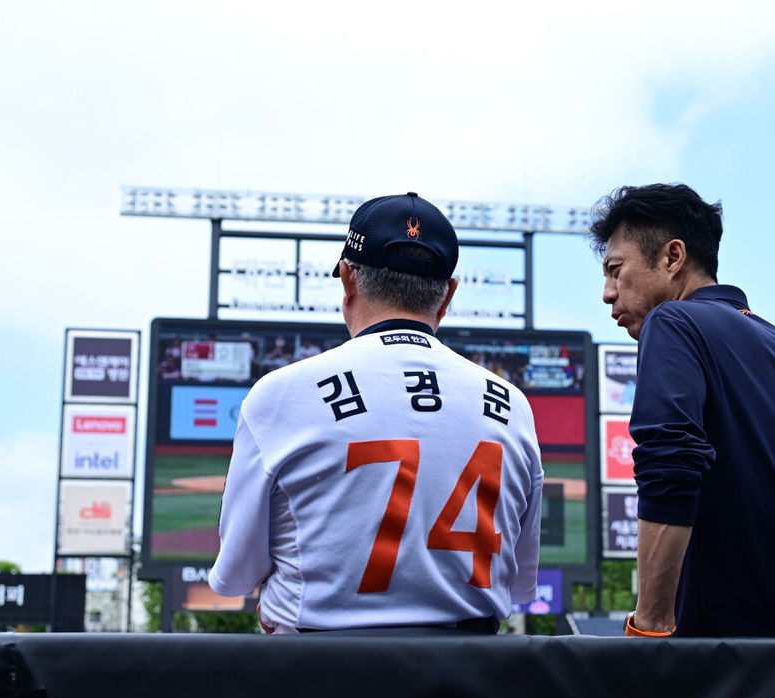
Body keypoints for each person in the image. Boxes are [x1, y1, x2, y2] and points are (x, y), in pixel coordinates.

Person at [209, 192, 544, 634]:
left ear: (348, 278)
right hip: (469, 665)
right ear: (448, 295)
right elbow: (519, 586)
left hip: (317, 664)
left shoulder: (280, 394)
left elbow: (235, 576)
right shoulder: (512, 405)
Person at [589, 183, 775, 638]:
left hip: (733, 658)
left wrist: (650, 627)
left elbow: (670, 461)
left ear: (672, 257)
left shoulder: (673, 321)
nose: (607, 292)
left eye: (615, 271)